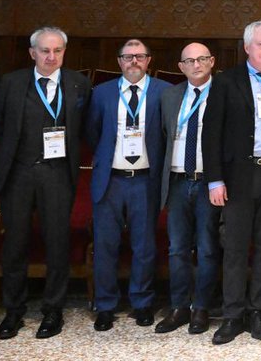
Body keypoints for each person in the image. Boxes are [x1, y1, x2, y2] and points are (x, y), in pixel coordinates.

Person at [0, 27, 92, 341]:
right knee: (15, 245)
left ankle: (53, 310)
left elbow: (85, 129)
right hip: (19, 173)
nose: (52, 57)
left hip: (57, 175)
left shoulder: (79, 83)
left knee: (57, 243)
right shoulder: (11, 83)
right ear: (32, 52)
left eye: (58, 50)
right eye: (45, 51)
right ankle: (13, 311)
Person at [204, 19, 261, 344]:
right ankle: (232, 315)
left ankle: (257, 311)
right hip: (238, 177)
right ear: (247, 47)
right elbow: (211, 133)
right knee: (235, 247)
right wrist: (214, 179)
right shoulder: (227, 82)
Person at [85, 39, 168, 331]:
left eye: (140, 56)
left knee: (144, 246)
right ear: (119, 61)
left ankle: (142, 302)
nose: (134, 61)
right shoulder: (102, 93)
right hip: (111, 180)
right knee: (105, 245)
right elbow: (92, 133)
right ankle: (105, 305)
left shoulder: (164, 92)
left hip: (145, 180)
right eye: (128, 57)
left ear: (149, 61)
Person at [157, 43, 220, 335]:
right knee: (177, 249)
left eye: (202, 59)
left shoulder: (223, 92)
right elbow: (161, 138)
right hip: (178, 180)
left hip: (209, 181)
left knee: (207, 248)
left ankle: (202, 308)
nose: (196, 65)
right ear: (180, 66)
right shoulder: (169, 96)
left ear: (212, 62)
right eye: (190, 61)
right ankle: (180, 306)